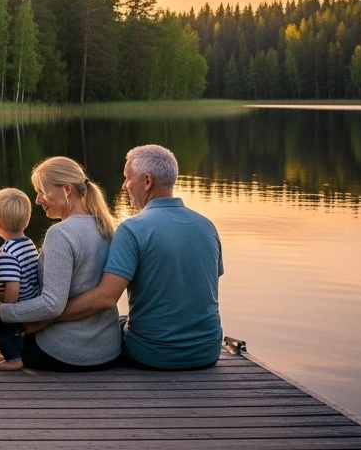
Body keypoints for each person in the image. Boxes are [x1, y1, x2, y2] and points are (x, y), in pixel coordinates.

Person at [31, 144, 224, 371]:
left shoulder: (133, 229)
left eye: (127, 178)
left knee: (120, 324)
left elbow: (105, 298)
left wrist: (48, 319)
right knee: (120, 321)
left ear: (147, 181)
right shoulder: (207, 226)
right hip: (208, 351)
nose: (124, 186)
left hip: (153, 354)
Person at [0, 156, 122, 371]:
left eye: (42, 192)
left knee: (12, 340)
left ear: (67, 190)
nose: (37, 200)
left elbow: (51, 304)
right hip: (109, 350)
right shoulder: (106, 226)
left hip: (67, 353)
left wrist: (2, 311)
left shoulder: (61, 233)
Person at [0, 188, 40, 371]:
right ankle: (24, 352)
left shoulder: (7, 252)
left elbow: (13, 285)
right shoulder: (29, 243)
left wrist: (5, 308)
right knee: (20, 333)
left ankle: (14, 358)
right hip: (32, 302)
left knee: (4, 331)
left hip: (18, 306)